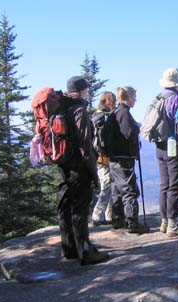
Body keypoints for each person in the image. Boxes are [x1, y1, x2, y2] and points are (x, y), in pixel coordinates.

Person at [58, 76, 109, 265]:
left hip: (64, 164)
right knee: (80, 207)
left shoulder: (64, 108)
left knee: (65, 205)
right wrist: (92, 170)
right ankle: (85, 251)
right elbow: (85, 144)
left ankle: (69, 249)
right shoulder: (79, 110)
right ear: (82, 90)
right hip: (78, 166)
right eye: (86, 89)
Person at [108, 86, 149, 234]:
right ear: (128, 97)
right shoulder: (124, 113)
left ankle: (118, 220)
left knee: (117, 189)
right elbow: (129, 133)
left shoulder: (117, 111)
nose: (136, 100)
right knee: (129, 190)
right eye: (135, 97)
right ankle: (132, 223)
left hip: (115, 158)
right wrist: (137, 127)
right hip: (123, 158)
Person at [155, 68, 178, 237]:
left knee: (165, 184)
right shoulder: (177, 99)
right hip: (174, 146)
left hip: (159, 145)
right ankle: (172, 225)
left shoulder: (159, 98)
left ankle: (164, 222)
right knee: (175, 184)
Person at [91, 91, 116, 226]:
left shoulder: (97, 115)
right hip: (104, 156)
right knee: (107, 184)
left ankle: (109, 215)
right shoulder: (104, 117)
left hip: (98, 156)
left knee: (108, 183)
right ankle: (97, 215)